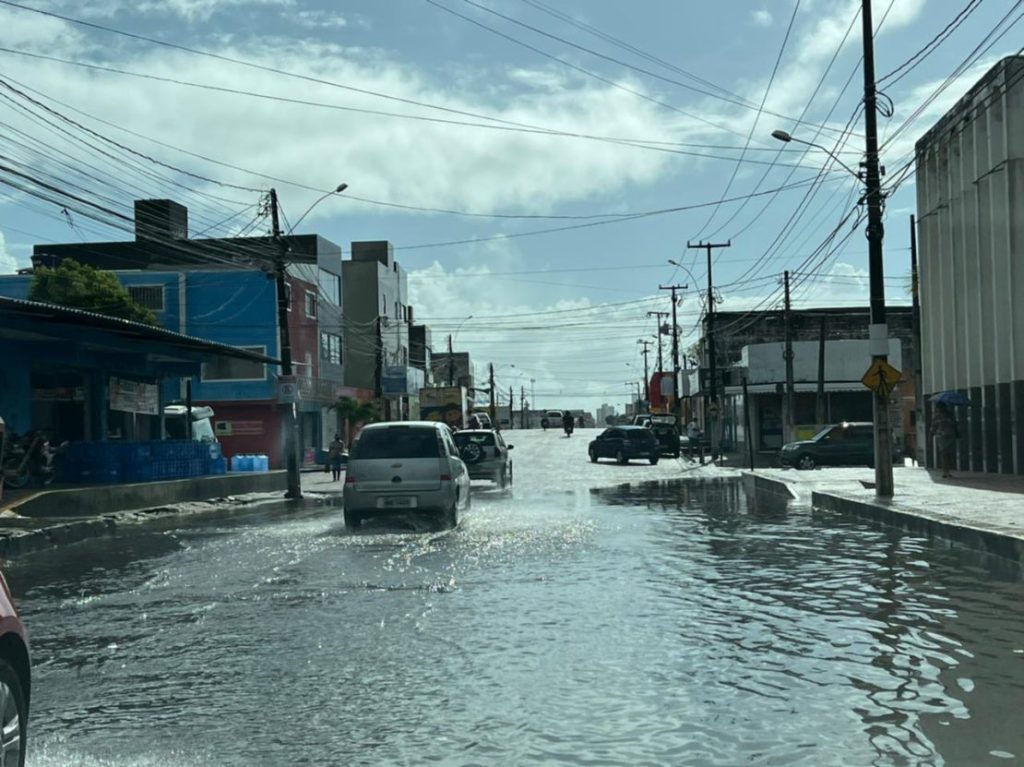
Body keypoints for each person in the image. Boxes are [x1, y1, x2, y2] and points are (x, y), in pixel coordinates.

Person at [932, 402, 957, 478]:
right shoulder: (936, 417)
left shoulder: (950, 415)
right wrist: (931, 435)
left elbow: (954, 424)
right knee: (944, 454)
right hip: (941, 437)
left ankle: (947, 470)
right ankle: (945, 471)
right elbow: (933, 427)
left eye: (939, 408)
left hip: (950, 436)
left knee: (949, 455)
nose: (938, 409)